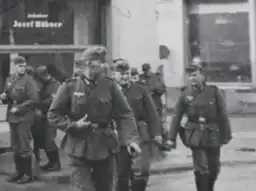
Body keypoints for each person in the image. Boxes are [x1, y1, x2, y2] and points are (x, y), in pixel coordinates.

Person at [47, 47, 141, 191]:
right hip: (78, 146)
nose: (105, 66)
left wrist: (130, 140)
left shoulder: (110, 85)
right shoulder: (70, 86)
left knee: (105, 188)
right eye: (101, 62)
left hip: (105, 146)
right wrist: (72, 125)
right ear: (89, 64)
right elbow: (53, 115)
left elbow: (124, 114)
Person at [167, 64, 232, 191]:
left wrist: (226, 135)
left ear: (202, 75)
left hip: (212, 133)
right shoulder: (185, 93)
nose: (192, 78)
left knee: (214, 168)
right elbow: (177, 116)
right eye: (190, 76)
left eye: (195, 75)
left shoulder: (213, 91)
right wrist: (171, 138)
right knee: (201, 168)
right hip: (195, 134)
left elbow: (223, 115)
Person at [113, 59, 162, 191]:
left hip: (140, 133)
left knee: (142, 171)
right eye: (121, 74)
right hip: (117, 136)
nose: (125, 77)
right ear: (114, 75)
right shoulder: (109, 90)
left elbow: (152, 113)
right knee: (120, 174)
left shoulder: (140, 89)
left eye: (127, 73)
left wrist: (156, 133)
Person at [0, 56, 39, 184]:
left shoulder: (29, 81)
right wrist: (3, 97)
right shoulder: (10, 79)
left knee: (25, 145)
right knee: (16, 146)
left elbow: (34, 100)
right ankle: (19, 171)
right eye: (19, 66)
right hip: (13, 117)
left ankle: (28, 174)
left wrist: (20, 108)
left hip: (24, 117)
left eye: (23, 66)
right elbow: (7, 97)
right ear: (15, 66)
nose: (22, 68)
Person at [32, 65, 62, 171]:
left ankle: (56, 163)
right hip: (41, 116)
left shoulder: (55, 85)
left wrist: (38, 104)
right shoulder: (40, 84)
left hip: (52, 115)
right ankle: (51, 161)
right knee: (42, 140)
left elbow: (52, 101)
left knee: (49, 140)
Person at [139, 63, 168, 147]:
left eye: (148, 70)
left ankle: (162, 143)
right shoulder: (141, 78)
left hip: (156, 103)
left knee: (158, 122)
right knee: (148, 124)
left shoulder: (156, 77)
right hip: (145, 106)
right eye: (145, 71)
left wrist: (154, 90)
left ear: (150, 69)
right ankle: (150, 142)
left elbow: (163, 88)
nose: (147, 72)